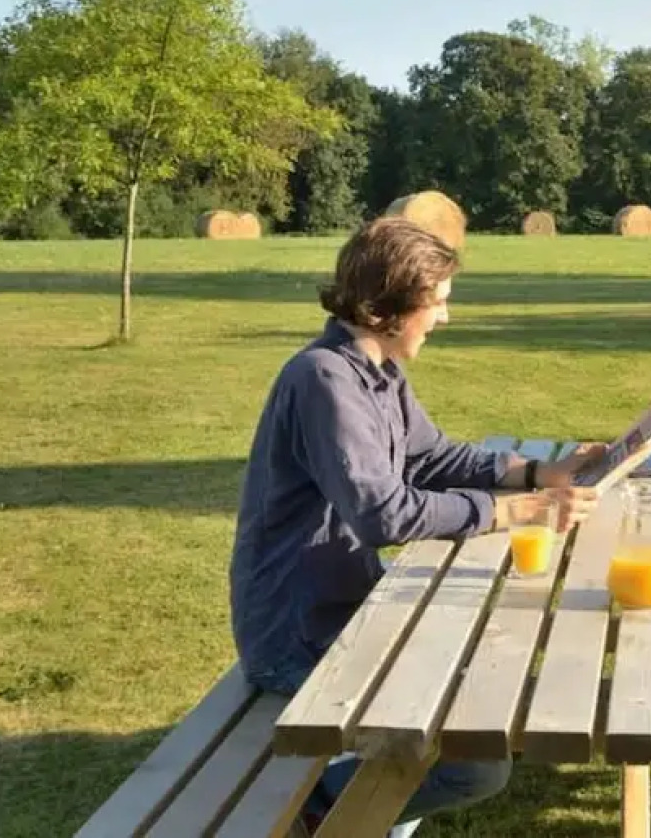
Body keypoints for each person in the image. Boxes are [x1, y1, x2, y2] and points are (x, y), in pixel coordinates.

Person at [228, 217, 601, 834]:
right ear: (387, 305)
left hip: (346, 612)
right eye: (437, 304)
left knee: (470, 690)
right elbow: (383, 514)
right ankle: (317, 808)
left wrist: (539, 472)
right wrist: (509, 512)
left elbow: (431, 457)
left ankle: (356, 809)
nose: (444, 319)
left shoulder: (374, 372)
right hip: (299, 639)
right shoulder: (324, 380)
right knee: (474, 760)